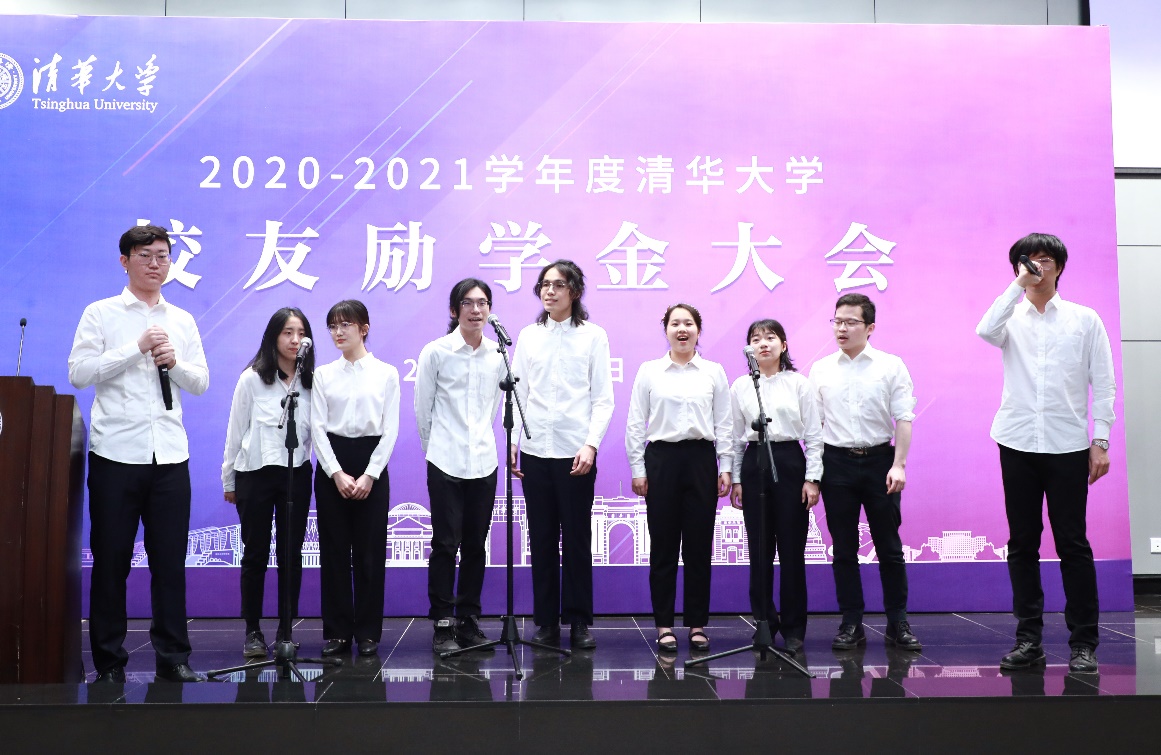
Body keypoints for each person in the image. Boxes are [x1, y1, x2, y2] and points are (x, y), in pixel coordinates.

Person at [68, 224, 210, 683]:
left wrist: (174, 362)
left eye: (163, 256)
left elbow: (200, 382)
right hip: (115, 455)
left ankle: (173, 657)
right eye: (145, 255)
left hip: (169, 456)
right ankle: (109, 662)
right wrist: (136, 349)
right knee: (112, 562)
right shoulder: (101, 314)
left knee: (169, 563)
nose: (155, 263)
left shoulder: (182, 319)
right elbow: (79, 372)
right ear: (124, 261)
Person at [976, 233, 1115, 674]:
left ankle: (1084, 643)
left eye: (1045, 259)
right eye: (1028, 260)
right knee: (1022, 543)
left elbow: (1104, 383)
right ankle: (1028, 639)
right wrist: (1017, 285)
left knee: (1073, 543)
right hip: (1017, 442)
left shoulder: (1084, 319)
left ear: (1059, 266)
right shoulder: (1009, 317)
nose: (1038, 266)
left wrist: (1101, 440)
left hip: (1067, 445)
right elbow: (984, 330)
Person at [511, 260, 614, 649]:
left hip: (576, 453)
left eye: (557, 284)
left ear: (575, 291)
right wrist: (514, 442)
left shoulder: (593, 336)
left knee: (576, 539)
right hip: (535, 451)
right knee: (540, 539)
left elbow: (602, 398)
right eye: (544, 284)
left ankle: (579, 621)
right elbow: (518, 393)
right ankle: (546, 622)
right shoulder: (529, 336)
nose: (549, 291)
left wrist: (591, 444)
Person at [809, 293, 920, 652]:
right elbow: (814, 427)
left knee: (889, 547)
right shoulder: (821, 369)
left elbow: (903, 418)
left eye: (850, 322)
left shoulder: (890, 366)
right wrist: (814, 473)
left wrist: (898, 464)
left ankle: (898, 622)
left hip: (879, 462)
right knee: (843, 549)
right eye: (837, 321)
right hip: (836, 463)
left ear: (870, 327)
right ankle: (851, 622)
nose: (841, 328)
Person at [626, 303, 732, 653]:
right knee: (664, 547)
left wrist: (726, 466)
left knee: (699, 547)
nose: (682, 329)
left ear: (698, 331)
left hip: (701, 460)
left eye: (688, 323)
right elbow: (635, 422)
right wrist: (638, 469)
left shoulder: (713, 372)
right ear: (666, 330)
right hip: (662, 460)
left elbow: (724, 422)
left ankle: (697, 625)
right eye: (675, 323)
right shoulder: (650, 371)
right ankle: (664, 625)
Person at [415, 279, 505, 654]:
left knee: (475, 545)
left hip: (484, 460)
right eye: (467, 303)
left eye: (482, 303)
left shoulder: (498, 354)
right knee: (445, 544)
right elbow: (423, 409)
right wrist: (436, 450)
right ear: (454, 311)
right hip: (445, 460)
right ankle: (442, 622)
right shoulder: (436, 352)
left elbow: (496, 407)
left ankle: (468, 620)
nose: (476, 309)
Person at [222, 307, 315, 658]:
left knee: (291, 554)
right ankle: (252, 630)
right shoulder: (252, 379)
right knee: (255, 553)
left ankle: (285, 630)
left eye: (300, 333)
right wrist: (229, 478)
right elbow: (235, 430)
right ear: (273, 336)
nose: (295, 340)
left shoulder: (311, 382)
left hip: (296, 473)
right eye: (287, 332)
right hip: (255, 474)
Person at [310, 300, 399, 657]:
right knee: (333, 551)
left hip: (370, 464)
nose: (338, 332)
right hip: (332, 465)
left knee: (369, 552)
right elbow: (317, 428)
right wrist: (335, 472)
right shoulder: (323, 375)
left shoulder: (386, 373)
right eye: (333, 326)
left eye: (345, 325)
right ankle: (337, 632)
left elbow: (390, 429)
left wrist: (370, 475)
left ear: (364, 328)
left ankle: (367, 632)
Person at [728, 318, 822, 655]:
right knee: (760, 550)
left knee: (792, 550)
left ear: (783, 345)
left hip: (789, 460)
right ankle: (764, 622)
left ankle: (794, 629)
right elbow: (735, 438)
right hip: (755, 463)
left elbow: (814, 436)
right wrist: (737, 478)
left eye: (770, 337)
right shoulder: (741, 386)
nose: (763, 344)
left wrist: (812, 478)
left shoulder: (799, 383)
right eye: (756, 339)